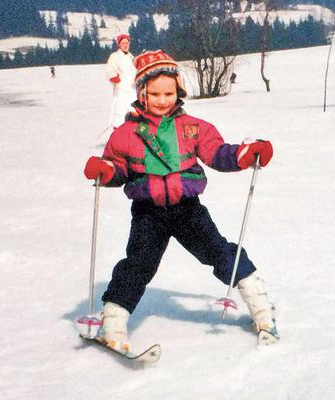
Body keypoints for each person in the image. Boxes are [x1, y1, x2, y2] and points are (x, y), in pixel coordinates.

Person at [83, 50, 278, 352]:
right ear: (142, 92)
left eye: (169, 93)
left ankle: (261, 307)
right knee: (138, 265)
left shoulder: (193, 127)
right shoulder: (125, 134)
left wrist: (242, 154)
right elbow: (117, 168)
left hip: (188, 209)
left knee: (219, 252)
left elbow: (217, 152)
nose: (163, 100)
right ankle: (113, 322)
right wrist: (105, 171)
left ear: (179, 91)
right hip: (148, 213)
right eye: (155, 93)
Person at [105, 34, 137, 128]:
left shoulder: (131, 57)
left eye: (127, 43)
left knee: (134, 110)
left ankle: (134, 132)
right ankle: (117, 132)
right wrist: (113, 77)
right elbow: (110, 69)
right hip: (121, 89)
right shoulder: (115, 56)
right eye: (123, 43)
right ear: (119, 44)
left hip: (132, 89)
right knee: (120, 111)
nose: (125, 45)